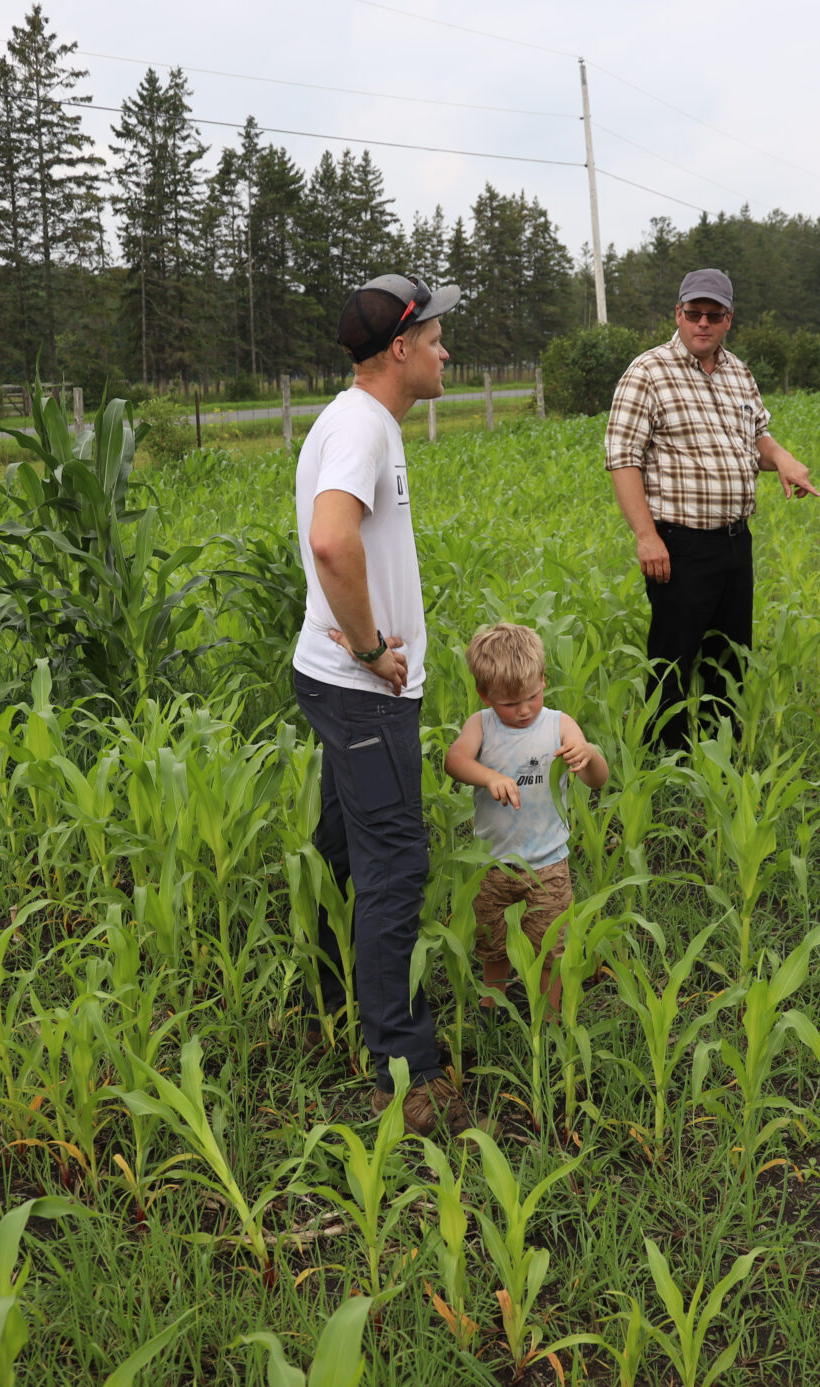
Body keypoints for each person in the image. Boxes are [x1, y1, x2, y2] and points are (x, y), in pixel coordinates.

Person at [294, 273, 467, 1133]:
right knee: (395, 865)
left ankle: (330, 999)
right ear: (400, 347)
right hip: (363, 691)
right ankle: (407, 1066)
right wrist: (370, 648)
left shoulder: (362, 422)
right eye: (436, 338)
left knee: (344, 852)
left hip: (344, 687)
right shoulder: (362, 426)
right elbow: (331, 541)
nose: (446, 351)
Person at [603, 267, 819, 751]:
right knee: (673, 658)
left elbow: (756, 437)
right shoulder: (648, 373)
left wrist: (782, 458)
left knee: (730, 655)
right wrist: (646, 536)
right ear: (677, 315)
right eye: (693, 313)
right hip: (678, 543)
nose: (703, 322)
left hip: (734, 541)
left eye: (713, 315)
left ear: (728, 320)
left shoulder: (738, 372)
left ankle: (722, 751)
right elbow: (623, 458)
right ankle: (669, 764)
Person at [442, 622, 609, 1013]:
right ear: (485, 695)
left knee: (551, 946)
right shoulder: (481, 726)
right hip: (493, 863)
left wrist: (588, 755)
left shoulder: (559, 724)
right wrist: (490, 777)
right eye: (508, 703)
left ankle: (547, 1017)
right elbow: (454, 760)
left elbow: (597, 780)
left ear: (543, 682)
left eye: (532, 697)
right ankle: (491, 1004)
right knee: (492, 941)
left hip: (548, 863)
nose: (523, 710)